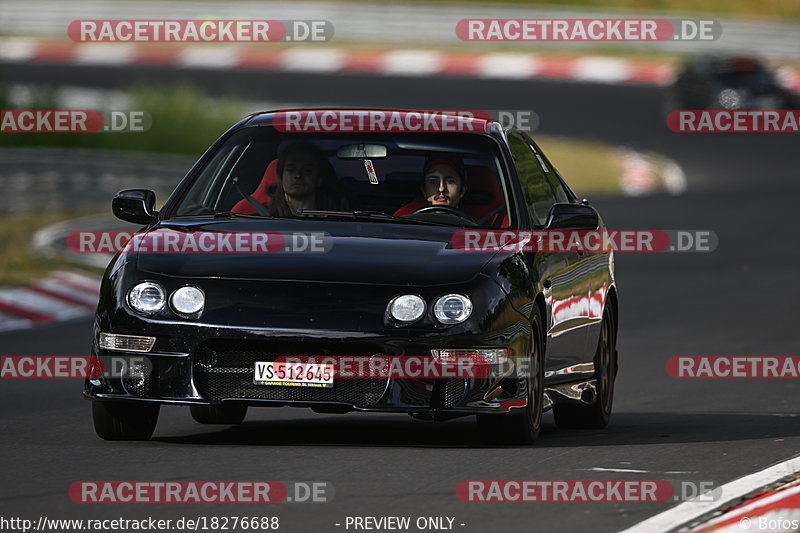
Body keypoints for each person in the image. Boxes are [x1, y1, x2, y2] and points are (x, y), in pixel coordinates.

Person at [269, 141, 349, 216]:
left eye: (307, 170)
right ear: (281, 176)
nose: (298, 175)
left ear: (319, 179)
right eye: (291, 169)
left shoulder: (338, 217)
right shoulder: (265, 217)